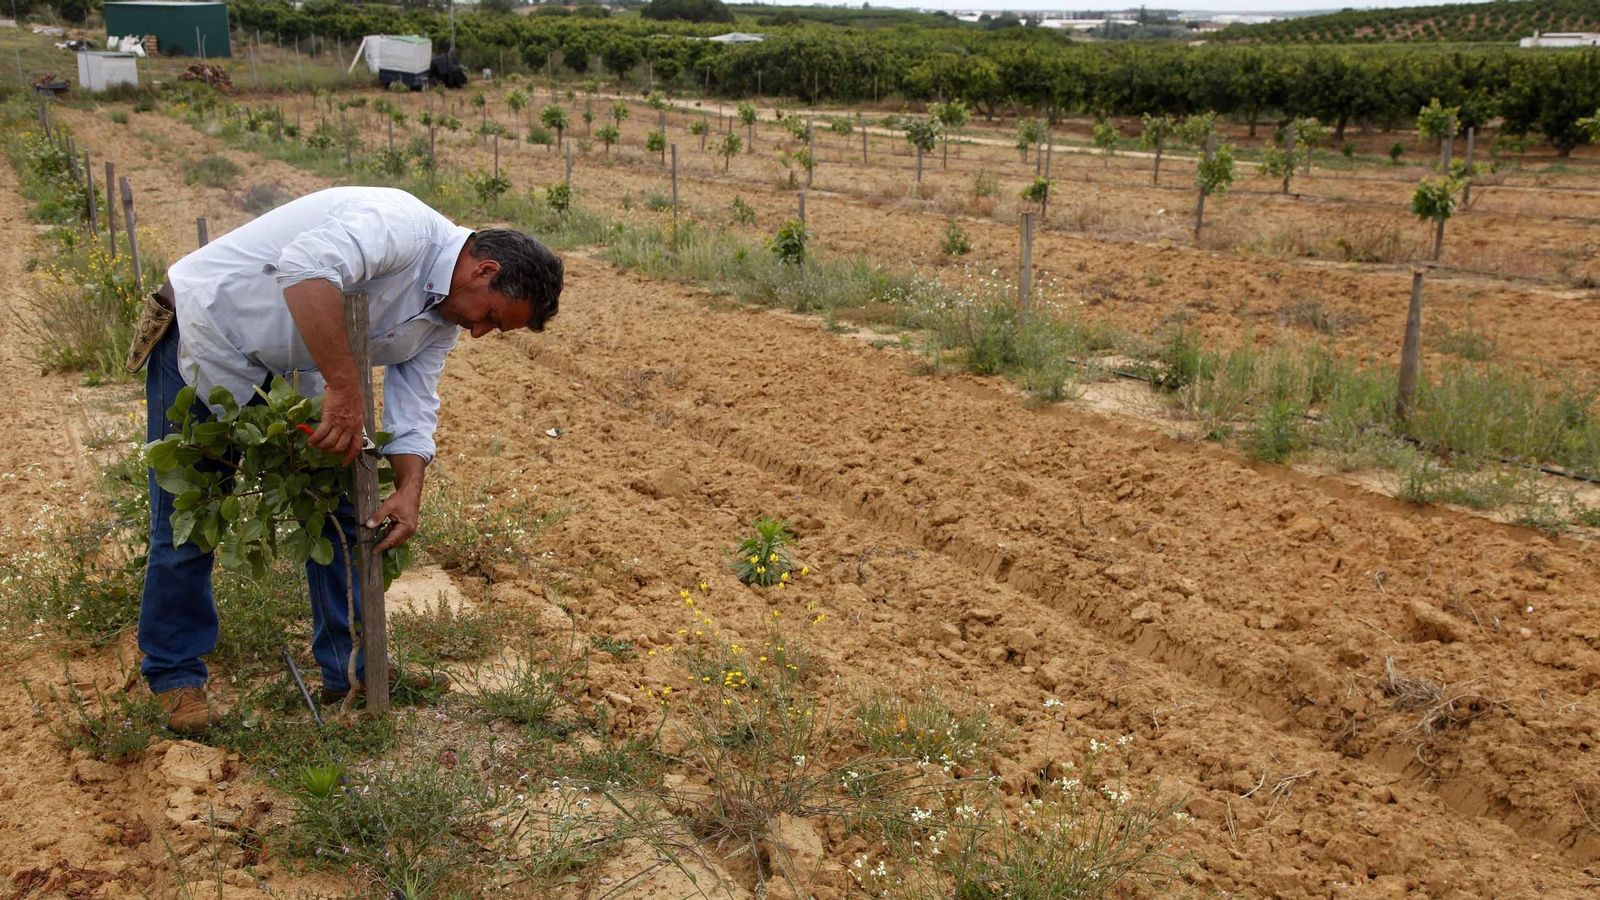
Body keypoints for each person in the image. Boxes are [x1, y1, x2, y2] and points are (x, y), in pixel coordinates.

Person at [131, 186, 563, 734]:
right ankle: (175, 676)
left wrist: (409, 490)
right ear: (484, 271)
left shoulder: (443, 317)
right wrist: (344, 386)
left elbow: (415, 406)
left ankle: (351, 667)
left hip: (293, 364)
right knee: (190, 511)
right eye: (492, 318)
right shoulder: (400, 226)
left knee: (339, 509)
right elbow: (303, 267)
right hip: (211, 328)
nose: (480, 332)